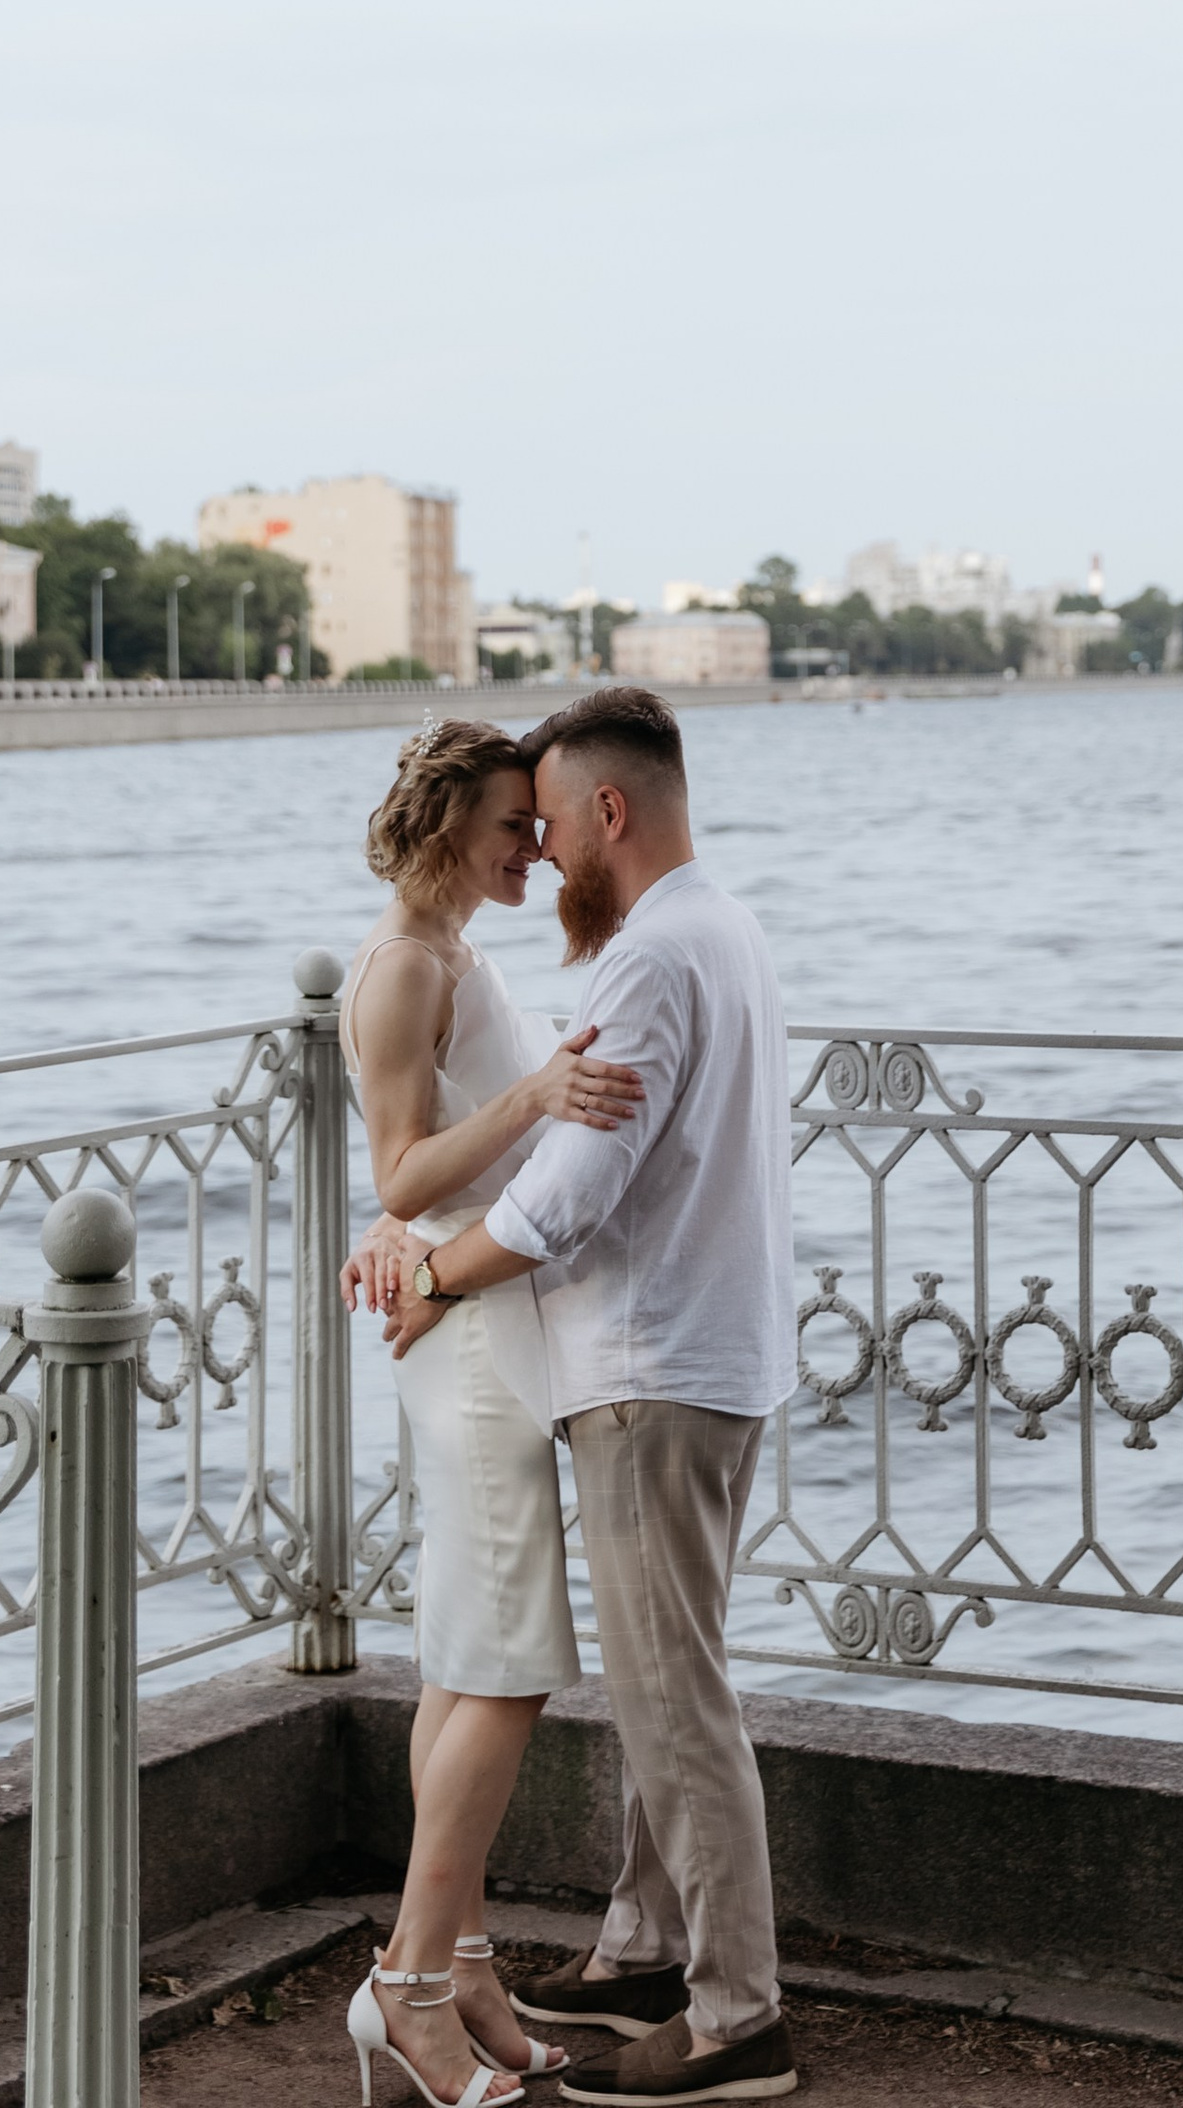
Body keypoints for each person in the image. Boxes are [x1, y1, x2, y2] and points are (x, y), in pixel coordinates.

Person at [377, 686, 799, 2108]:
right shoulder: (721, 928)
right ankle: (644, 1944)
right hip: (714, 1351)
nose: (547, 852)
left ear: (609, 811)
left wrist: (435, 1280)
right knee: (668, 1681)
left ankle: (739, 2018)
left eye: (552, 823)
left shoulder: (642, 965)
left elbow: (565, 1200)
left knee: (676, 1700)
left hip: (648, 1368)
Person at [337, 718, 651, 2108]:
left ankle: (458, 1965)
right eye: (514, 828)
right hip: (464, 1338)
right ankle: (406, 1985)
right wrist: (529, 1097)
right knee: (510, 1658)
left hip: (489, 1318)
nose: (539, 845)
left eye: (541, 824)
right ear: (447, 825)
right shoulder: (405, 967)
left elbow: (421, 1172)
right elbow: (408, 1172)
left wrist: (414, 1204)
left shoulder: (459, 955)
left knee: (469, 1658)